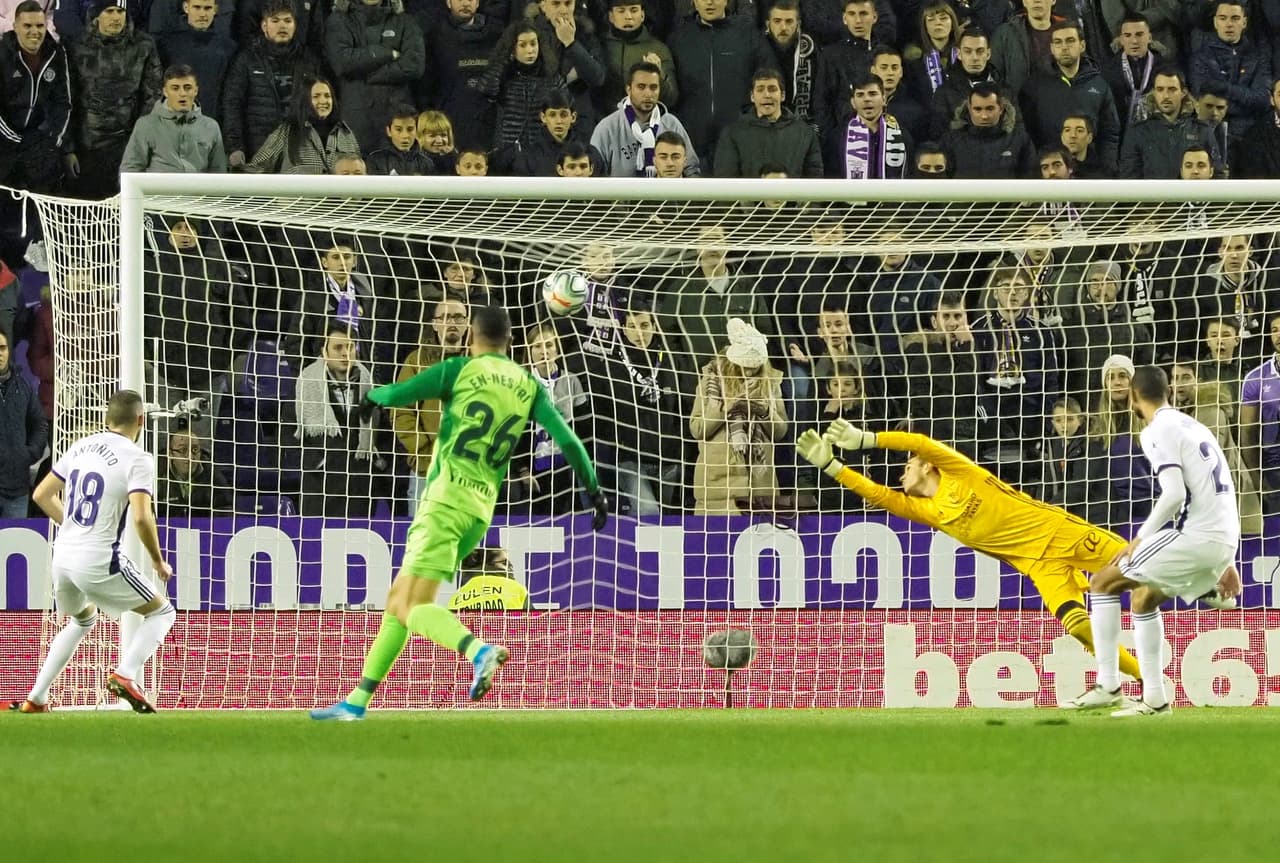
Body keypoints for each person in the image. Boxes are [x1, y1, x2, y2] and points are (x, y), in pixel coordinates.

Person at [310, 306, 608, 718]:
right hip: (482, 508)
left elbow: (397, 394)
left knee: (411, 608)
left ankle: (478, 650)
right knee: (400, 601)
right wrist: (593, 490)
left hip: (445, 500)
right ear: (511, 340)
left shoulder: (458, 369)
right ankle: (356, 702)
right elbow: (571, 443)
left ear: (472, 333)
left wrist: (371, 400)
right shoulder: (527, 383)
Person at [794, 419, 1144, 692]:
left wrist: (868, 440)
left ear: (928, 466)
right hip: (1038, 566)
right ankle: (1147, 682)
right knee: (1079, 627)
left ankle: (1200, 585)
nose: (902, 472)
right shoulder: (930, 510)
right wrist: (832, 466)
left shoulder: (961, 472)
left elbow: (920, 442)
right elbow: (882, 496)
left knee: (1141, 566)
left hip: (1059, 533)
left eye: (908, 466)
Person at [1068, 365, 1242, 716]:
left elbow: (1175, 494)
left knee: (1102, 583)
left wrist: (1140, 537)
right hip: (1222, 536)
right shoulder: (1193, 426)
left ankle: (1108, 683)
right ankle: (1156, 699)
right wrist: (1226, 559)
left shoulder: (1155, 430)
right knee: (1144, 599)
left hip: (1196, 536)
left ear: (1133, 395)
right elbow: (1216, 490)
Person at [6, 390, 176, 714]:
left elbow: (41, 495)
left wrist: (74, 526)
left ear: (106, 419)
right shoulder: (138, 458)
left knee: (83, 619)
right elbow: (142, 516)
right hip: (98, 559)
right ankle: (126, 675)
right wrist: (157, 560)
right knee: (162, 612)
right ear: (141, 420)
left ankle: (36, 698)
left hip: (63, 558)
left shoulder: (81, 446)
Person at [66, 0, 163, 198]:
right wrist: (69, 149)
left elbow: (152, 94)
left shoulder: (143, 45)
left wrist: (139, 142)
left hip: (127, 146)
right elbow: (67, 100)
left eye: (120, 11)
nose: (116, 17)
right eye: (109, 11)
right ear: (96, 16)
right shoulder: (75, 47)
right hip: (87, 147)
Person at [119, 64, 227, 173]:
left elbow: (219, 174)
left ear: (196, 91)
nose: (182, 93)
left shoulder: (211, 127)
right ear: (165, 92)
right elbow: (129, 171)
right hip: (158, 189)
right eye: (175, 88)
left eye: (187, 88)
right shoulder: (146, 125)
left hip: (197, 190)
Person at [246, 76, 361, 174]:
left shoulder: (346, 133)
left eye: (327, 96)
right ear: (305, 100)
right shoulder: (288, 131)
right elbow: (257, 168)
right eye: (316, 96)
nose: (323, 101)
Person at [0, 329, 47, 518]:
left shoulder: (24, 386)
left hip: (17, 488)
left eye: (2, 348)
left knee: (14, 545)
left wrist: (29, 454)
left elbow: (40, 424)